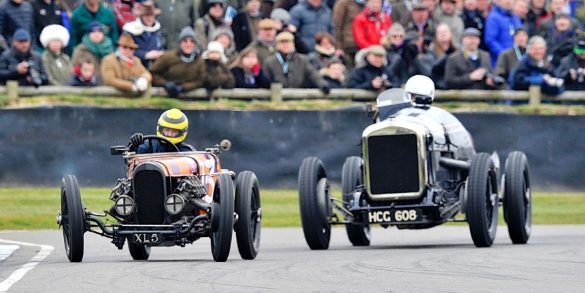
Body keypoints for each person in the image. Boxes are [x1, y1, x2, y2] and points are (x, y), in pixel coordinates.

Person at [262, 31, 329, 92]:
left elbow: (313, 74)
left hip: (299, 96)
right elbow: (265, 82)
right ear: (277, 45)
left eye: (288, 42)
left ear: (293, 44)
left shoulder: (303, 60)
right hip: (277, 97)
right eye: (282, 42)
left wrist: (323, 84)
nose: (285, 45)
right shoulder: (269, 62)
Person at [150, 26, 206, 98]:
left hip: (192, 97)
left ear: (195, 45)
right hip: (166, 95)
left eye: (192, 41)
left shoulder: (200, 60)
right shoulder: (167, 57)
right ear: (180, 43)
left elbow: (201, 80)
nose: (188, 44)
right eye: (185, 41)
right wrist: (165, 83)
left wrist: (183, 87)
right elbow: (153, 73)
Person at [129, 108, 196, 153]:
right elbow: (131, 158)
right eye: (167, 130)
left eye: (174, 131)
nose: (169, 134)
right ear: (161, 129)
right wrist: (134, 144)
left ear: (181, 132)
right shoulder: (150, 146)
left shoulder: (187, 152)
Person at [122, 1, 164, 68]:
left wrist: (161, 53)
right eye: (146, 15)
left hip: (155, 66)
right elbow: (125, 50)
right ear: (142, 16)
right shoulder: (131, 29)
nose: (149, 18)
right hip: (136, 67)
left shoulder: (158, 30)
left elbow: (161, 46)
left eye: (151, 15)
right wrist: (145, 55)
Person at [484, 0, 522, 67]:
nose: (508, 1)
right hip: (500, 62)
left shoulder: (515, 17)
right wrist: (504, 55)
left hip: (517, 60)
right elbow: (490, 40)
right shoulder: (493, 17)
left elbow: (521, 36)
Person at [332, 0, 363, 68]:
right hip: (348, 45)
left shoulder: (365, 3)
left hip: (362, 45)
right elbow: (337, 26)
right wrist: (338, 46)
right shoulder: (343, 3)